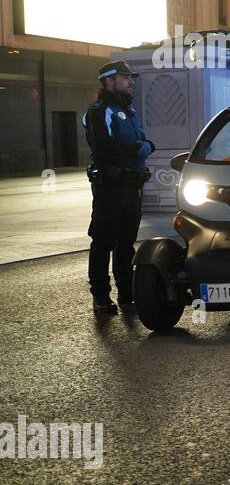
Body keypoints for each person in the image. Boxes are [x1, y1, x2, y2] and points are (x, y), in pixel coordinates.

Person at [84, 61, 154, 314]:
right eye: (125, 78)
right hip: (110, 186)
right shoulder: (100, 110)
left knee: (126, 242)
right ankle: (101, 296)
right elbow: (103, 148)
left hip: (131, 185)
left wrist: (145, 145)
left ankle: (126, 293)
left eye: (130, 78)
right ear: (109, 81)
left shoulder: (129, 111)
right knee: (103, 241)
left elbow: (142, 140)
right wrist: (137, 148)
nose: (131, 82)